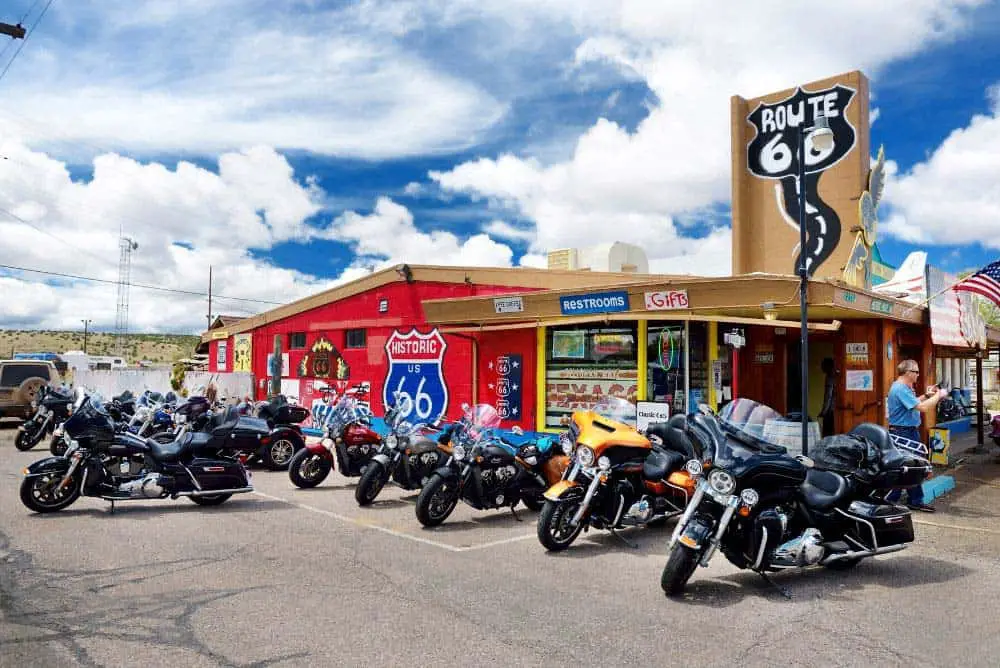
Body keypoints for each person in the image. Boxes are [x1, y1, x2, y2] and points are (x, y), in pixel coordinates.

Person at [885, 359, 947, 513]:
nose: (918, 375)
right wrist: (938, 396)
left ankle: (911, 499)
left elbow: (913, 403)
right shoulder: (900, 389)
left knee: (913, 466)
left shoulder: (902, 388)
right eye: (916, 372)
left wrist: (927, 395)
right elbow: (923, 408)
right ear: (908, 373)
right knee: (907, 466)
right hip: (903, 432)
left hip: (907, 430)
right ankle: (893, 500)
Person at [818, 357, 837, 436]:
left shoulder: (830, 377)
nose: (821, 367)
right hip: (834, 408)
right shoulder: (836, 375)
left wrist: (823, 411)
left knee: (827, 434)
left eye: (823, 365)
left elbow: (828, 396)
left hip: (830, 410)